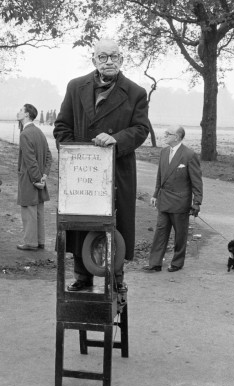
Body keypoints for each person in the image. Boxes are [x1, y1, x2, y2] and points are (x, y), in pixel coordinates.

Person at [53, 38, 149, 291]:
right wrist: (76, 154)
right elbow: (62, 127)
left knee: (113, 223)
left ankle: (116, 278)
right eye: (103, 57)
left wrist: (115, 139)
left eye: (114, 56)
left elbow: (141, 130)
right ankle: (82, 276)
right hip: (81, 173)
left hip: (117, 172)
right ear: (94, 59)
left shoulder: (136, 92)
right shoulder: (75, 87)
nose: (109, 61)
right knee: (81, 220)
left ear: (121, 59)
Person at [144, 125, 203, 273]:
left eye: (167, 133)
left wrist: (197, 202)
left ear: (176, 136)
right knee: (160, 232)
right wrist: (155, 194)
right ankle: (155, 263)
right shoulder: (164, 152)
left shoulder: (189, 155)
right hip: (163, 201)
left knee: (180, 235)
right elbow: (160, 176)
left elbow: (197, 181)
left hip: (180, 203)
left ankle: (177, 263)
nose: (164, 135)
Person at [16, 104, 52, 251]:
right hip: (39, 178)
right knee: (38, 210)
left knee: (28, 210)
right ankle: (39, 241)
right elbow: (49, 156)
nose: (18, 112)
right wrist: (44, 176)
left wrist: (37, 180)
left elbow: (30, 161)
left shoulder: (25, 134)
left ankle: (30, 242)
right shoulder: (39, 132)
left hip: (30, 179)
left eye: (20, 110)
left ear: (26, 115)